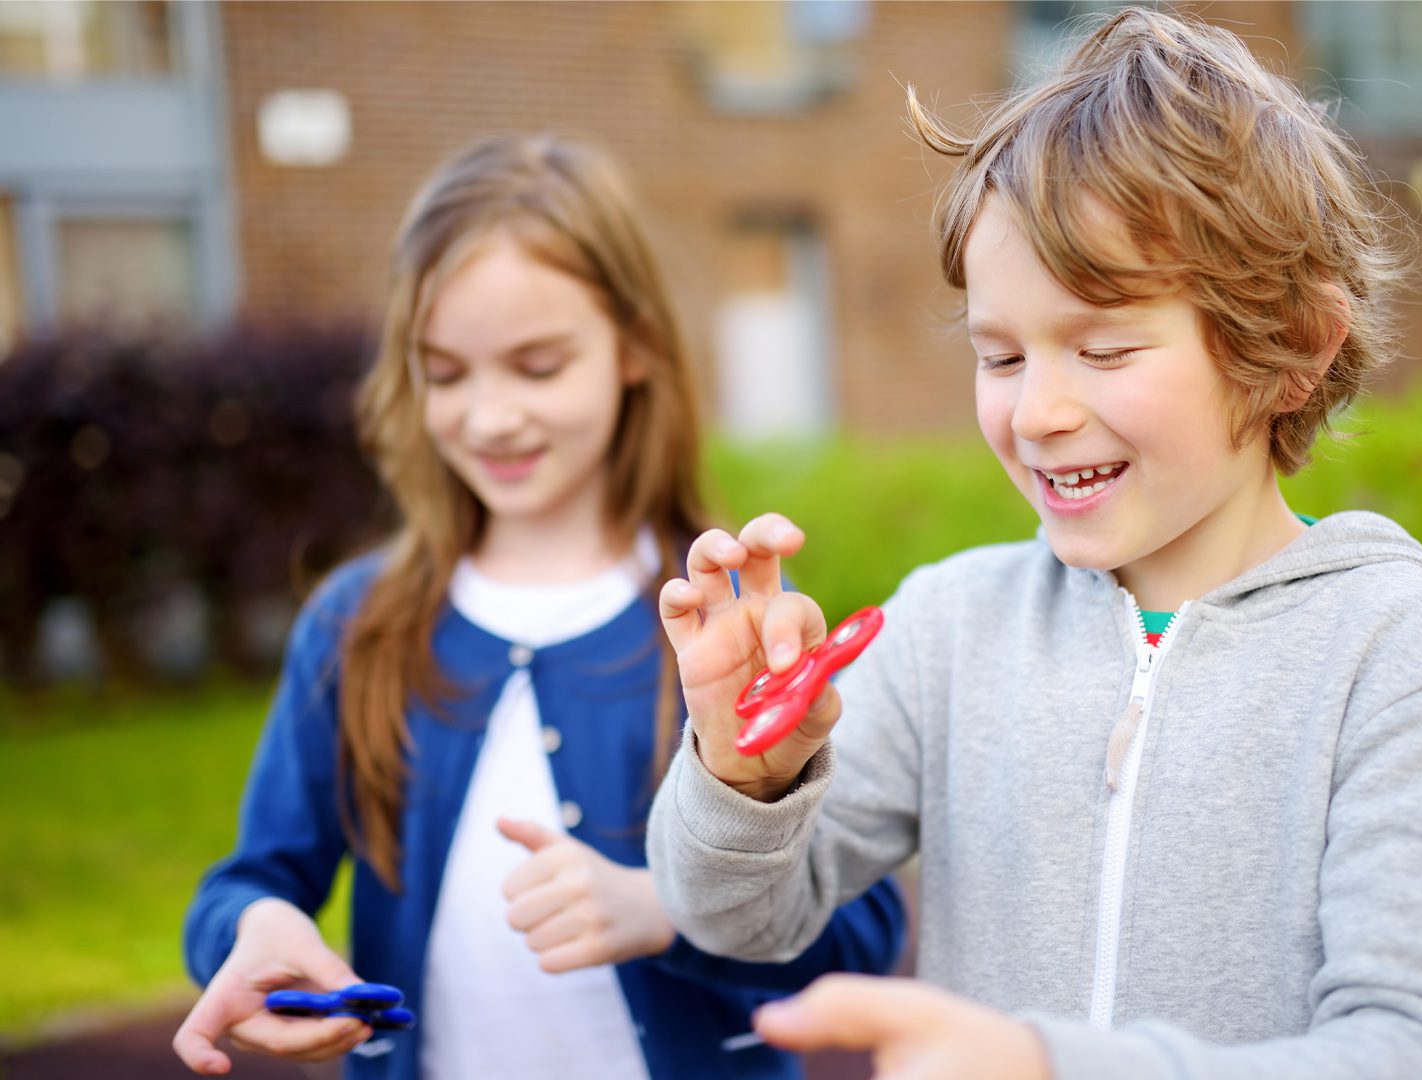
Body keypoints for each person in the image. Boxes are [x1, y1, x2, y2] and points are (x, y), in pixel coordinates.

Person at [645, 9, 1422, 1079]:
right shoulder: (949, 628)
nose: (1036, 414)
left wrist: (1046, 1064)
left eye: (1104, 346)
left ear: (1292, 349)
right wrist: (743, 776)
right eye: (1000, 356)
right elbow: (734, 921)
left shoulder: (1403, 665)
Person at [172, 133, 905, 1080]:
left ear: (635, 348)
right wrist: (259, 930)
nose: (488, 417)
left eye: (538, 365)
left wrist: (666, 911)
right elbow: (251, 881)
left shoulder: (727, 620)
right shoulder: (356, 625)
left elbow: (864, 930)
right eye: (446, 373)